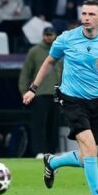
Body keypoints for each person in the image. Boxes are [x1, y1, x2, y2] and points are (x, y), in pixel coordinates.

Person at [22, 0, 98, 195]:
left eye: (91, 14)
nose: (86, 18)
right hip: (71, 100)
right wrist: (33, 88)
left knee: (89, 156)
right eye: (84, 13)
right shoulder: (67, 38)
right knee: (88, 146)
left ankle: (53, 162)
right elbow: (49, 61)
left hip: (96, 102)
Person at [19, 27, 63, 157]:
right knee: (39, 124)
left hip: (56, 93)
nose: (49, 37)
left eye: (51, 34)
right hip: (40, 93)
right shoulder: (34, 51)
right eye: (47, 35)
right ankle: (39, 151)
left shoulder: (61, 51)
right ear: (43, 36)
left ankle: (52, 151)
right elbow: (26, 73)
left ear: (55, 35)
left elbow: (63, 72)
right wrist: (24, 91)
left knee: (54, 125)